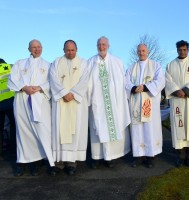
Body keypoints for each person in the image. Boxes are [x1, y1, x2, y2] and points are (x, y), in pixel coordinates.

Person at [7, 39, 54, 176]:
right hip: (22, 100)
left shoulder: (48, 65)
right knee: (23, 131)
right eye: (34, 47)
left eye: (39, 47)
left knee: (42, 130)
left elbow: (52, 83)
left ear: (42, 48)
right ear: (29, 49)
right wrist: (24, 87)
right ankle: (23, 161)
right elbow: (12, 79)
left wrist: (40, 87)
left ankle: (40, 161)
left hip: (40, 101)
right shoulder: (19, 63)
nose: (36, 49)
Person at [88, 36, 131, 168]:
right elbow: (87, 82)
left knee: (112, 128)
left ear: (108, 45)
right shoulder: (90, 62)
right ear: (96, 46)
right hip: (97, 102)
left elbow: (123, 82)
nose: (102, 47)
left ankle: (110, 158)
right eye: (99, 44)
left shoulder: (117, 62)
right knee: (97, 130)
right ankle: (97, 157)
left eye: (104, 44)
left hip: (113, 103)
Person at [49, 40, 89, 176]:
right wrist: (63, 93)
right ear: (63, 50)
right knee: (59, 132)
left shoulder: (84, 63)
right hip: (61, 102)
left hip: (76, 103)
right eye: (67, 50)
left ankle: (71, 162)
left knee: (75, 132)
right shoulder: (56, 62)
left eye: (72, 50)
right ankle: (58, 163)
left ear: (77, 49)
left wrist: (74, 94)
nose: (70, 52)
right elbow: (52, 79)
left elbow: (85, 80)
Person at [125, 44, 165, 168]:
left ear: (147, 52)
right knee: (137, 129)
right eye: (139, 51)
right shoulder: (132, 67)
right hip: (136, 102)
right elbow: (125, 81)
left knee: (149, 129)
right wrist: (133, 87)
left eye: (143, 51)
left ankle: (150, 156)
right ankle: (138, 156)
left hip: (149, 102)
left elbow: (161, 81)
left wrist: (146, 87)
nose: (141, 53)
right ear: (137, 53)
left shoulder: (155, 65)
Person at [165, 40, 189, 168]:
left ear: (188, 49)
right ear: (177, 50)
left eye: (184, 49)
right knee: (179, 126)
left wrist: (186, 90)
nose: (182, 52)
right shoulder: (170, 65)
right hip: (177, 100)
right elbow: (167, 81)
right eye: (180, 50)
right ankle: (180, 156)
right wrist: (176, 91)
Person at [0, 58, 16, 156]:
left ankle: (1, 151)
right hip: (12, 102)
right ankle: (14, 150)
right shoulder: (11, 66)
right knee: (14, 126)